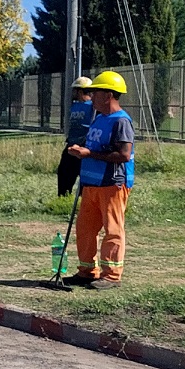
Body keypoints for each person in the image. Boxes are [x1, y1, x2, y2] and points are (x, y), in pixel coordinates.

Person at [63, 71, 135, 291]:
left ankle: (111, 275)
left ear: (109, 95)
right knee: (85, 229)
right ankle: (86, 271)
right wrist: (80, 152)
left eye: (95, 92)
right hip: (91, 184)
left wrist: (89, 154)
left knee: (112, 229)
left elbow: (123, 155)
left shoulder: (121, 121)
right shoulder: (99, 119)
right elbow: (93, 147)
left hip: (112, 184)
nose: (90, 96)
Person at [57, 76, 93, 196]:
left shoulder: (93, 107)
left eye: (75, 90)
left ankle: (84, 201)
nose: (72, 93)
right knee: (64, 172)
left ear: (81, 91)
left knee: (84, 175)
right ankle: (63, 197)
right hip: (71, 143)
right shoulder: (74, 105)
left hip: (84, 144)